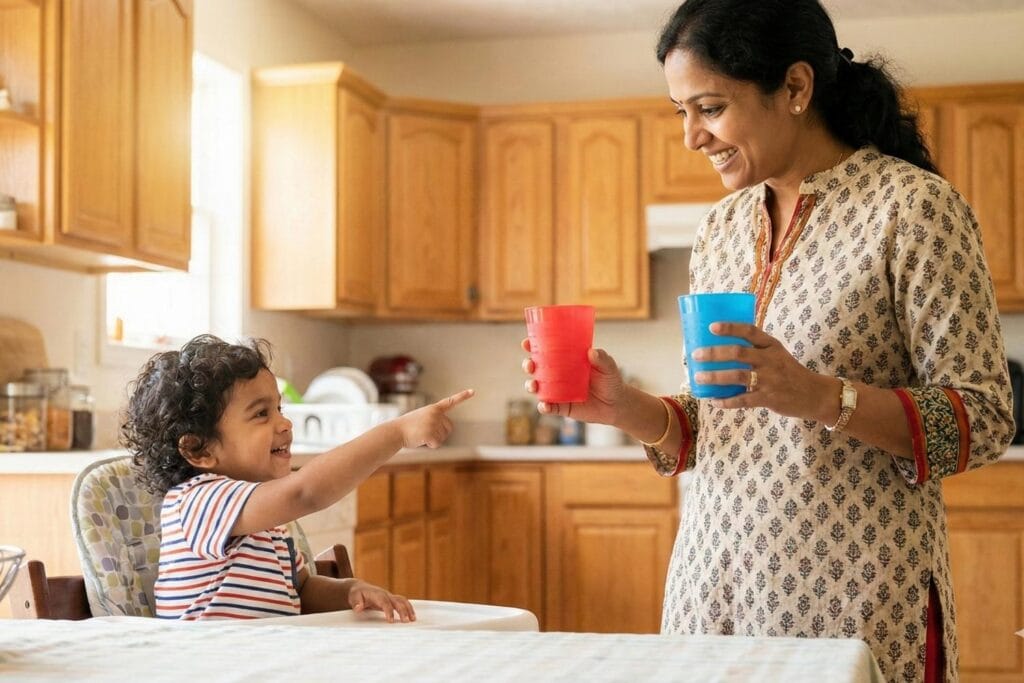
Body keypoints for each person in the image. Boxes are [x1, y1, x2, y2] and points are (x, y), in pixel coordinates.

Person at [522, 1, 1013, 680]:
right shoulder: (719, 227)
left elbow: (984, 417)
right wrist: (623, 407)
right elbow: (714, 421)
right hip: (713, 593)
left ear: (795, 89)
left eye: (711, 107)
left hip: (856, 605)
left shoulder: (913, 209)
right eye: (680, 112)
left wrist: (817, 396)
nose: (691, 135)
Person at [123, 334, 474, 621]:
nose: (284, 423)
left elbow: (300, 589)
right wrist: (396, 432)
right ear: (199, 450)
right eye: (261, 414)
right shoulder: (198, 501)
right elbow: (304, 492)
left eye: (279, 408)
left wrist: (349, 590)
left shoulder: (265, 522)